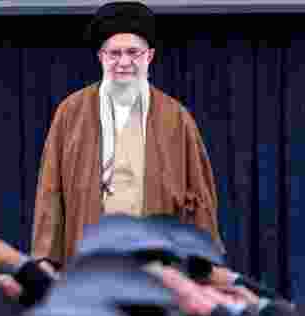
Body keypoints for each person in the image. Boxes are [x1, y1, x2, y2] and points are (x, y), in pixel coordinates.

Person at [30, 1, 221, 267]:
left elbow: (198, 197)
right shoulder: (71, 112)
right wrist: (46, 258)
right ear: (101, 57)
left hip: (157, 261)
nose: (124, 62)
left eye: (133, 52)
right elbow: (51, 192)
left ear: (149, 56)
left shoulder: (176, 117)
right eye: (114, 53)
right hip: (91, 255)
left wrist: (203, 260)